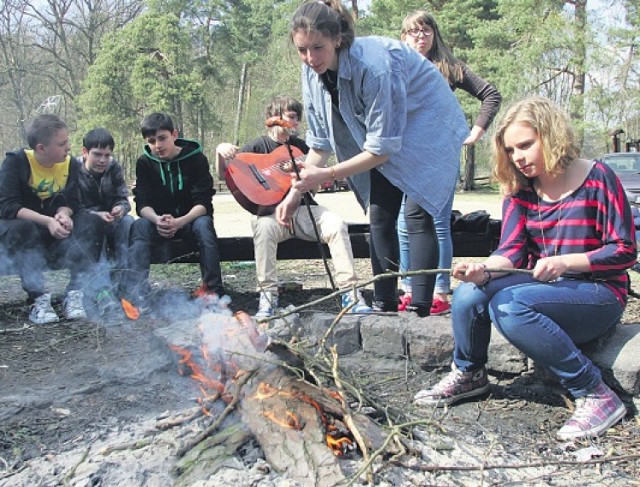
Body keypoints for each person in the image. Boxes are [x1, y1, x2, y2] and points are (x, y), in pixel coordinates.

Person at [413, 97, 635, 440]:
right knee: (470, 293)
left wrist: (566, 262)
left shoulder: (598, 178)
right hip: (540, 287)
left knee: (510, 305)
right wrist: (483, 269)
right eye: (511, 150)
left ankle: (594, 392)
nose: (518, 157)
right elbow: (512, 251)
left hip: (598, 292)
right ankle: (470, 373)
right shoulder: (520, 189)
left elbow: (624, 251)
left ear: (550, 134)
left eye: (526, 145)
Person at [288, 0, 468, 316]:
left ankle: (421, 306)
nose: (310, 58)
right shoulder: (311, 72)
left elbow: (381, 149)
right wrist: (294, 194)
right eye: (302, 50)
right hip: (388, 133)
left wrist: (327, 176)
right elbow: (319, 144)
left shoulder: (373, 66)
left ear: (337, 39)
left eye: (318, 48)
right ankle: (384, 303)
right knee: (380, 215)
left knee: (417, 213)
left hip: (429, 123)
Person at [216, 95, 371, 318]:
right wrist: (220, 151)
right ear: (273, 118)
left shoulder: (303, 148)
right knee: (263, 228)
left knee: (336, 223)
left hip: (304, 211)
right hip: (271, 213)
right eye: (289, 116)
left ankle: (350, 292)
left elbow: (317, 181)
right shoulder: (258, 146)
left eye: (296, 118)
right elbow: (226, 173)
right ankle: (268, 296)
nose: (293, 122)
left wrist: (308, 173)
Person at [397, 10, 503, 315]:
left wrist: (476, 131)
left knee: (438, 224)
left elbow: (490, 95)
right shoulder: (397, 66)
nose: (420, 37)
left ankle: (441, 292)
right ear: (403, 37)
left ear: (434, 35)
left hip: (440, 155)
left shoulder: (449, 67)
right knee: (404, 225)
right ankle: (409, 287)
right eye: (413, 32)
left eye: (425, 31)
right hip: (405, 157)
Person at [0, 114, 104, 324]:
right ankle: (37, 299)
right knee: (22, 228)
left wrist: (64, 215)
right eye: (62, 143)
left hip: (56, 234)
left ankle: (74, 294)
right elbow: (7, 206)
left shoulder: (70, 165)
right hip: (22, 237)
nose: (68, 147)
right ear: (41, 148)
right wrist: (47, 221)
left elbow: (73, 201)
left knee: (93, 221)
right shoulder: (16, 162)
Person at [127, 112, 224, 309]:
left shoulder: (196, 159)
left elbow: (204, 204)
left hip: (189, 222)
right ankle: (138, 294)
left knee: (205, 225)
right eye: (152, 141)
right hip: (158, 223)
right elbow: (142, 203)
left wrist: (179, 221)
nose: (158, 145)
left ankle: (213, 292)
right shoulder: (144, 163)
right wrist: (157, 220)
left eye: (162, 138)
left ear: (174, 134)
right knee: (139, 226)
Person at [77, 128, 134, 316]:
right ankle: (103, 291)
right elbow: (72, 208)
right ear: (85, 152)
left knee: (128, 222)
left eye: (107, 155)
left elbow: (124, 200)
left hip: (113, 221)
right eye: (97, 154)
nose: (102, 160)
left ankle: (125, 284)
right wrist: (95, 215)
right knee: (94, 229)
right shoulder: (73, 170)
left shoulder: (114, 168)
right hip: (87, 226)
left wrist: (120, 209)